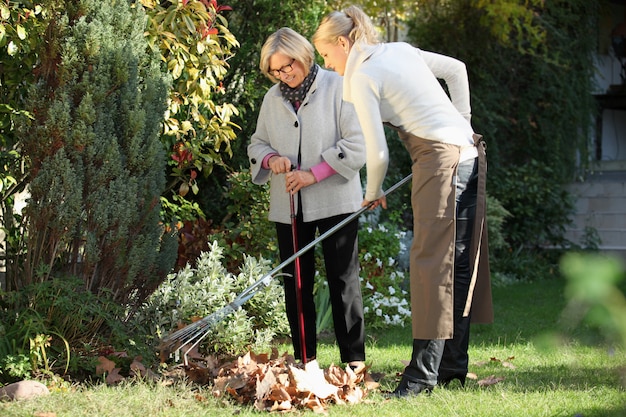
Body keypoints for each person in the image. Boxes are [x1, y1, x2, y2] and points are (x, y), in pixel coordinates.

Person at [313, 6, 493, 396]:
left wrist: (372, 191)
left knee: (430, 265)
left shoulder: (362, 75)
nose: (328, 64)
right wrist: (462, 124)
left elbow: (378, 156)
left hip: (441, 160)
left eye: (327, 55)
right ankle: (450, 368)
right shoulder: (399, 49)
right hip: (467, 155)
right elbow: (456, 70)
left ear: (344, 43)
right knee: (457, 264)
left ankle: (420, 378)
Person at [248, 27, 367, 370]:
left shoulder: (338, 86)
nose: (284, 75)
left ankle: (354, 364)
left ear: (302, 56)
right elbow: (257, 144)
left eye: (288, 66)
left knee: (343, 280)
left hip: (337, 202)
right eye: (276, 71)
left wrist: (312, 174)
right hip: (290, 206)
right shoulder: (272, 99)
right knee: (296, 284)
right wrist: (272, 160)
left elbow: (356, 144)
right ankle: (306, 361)